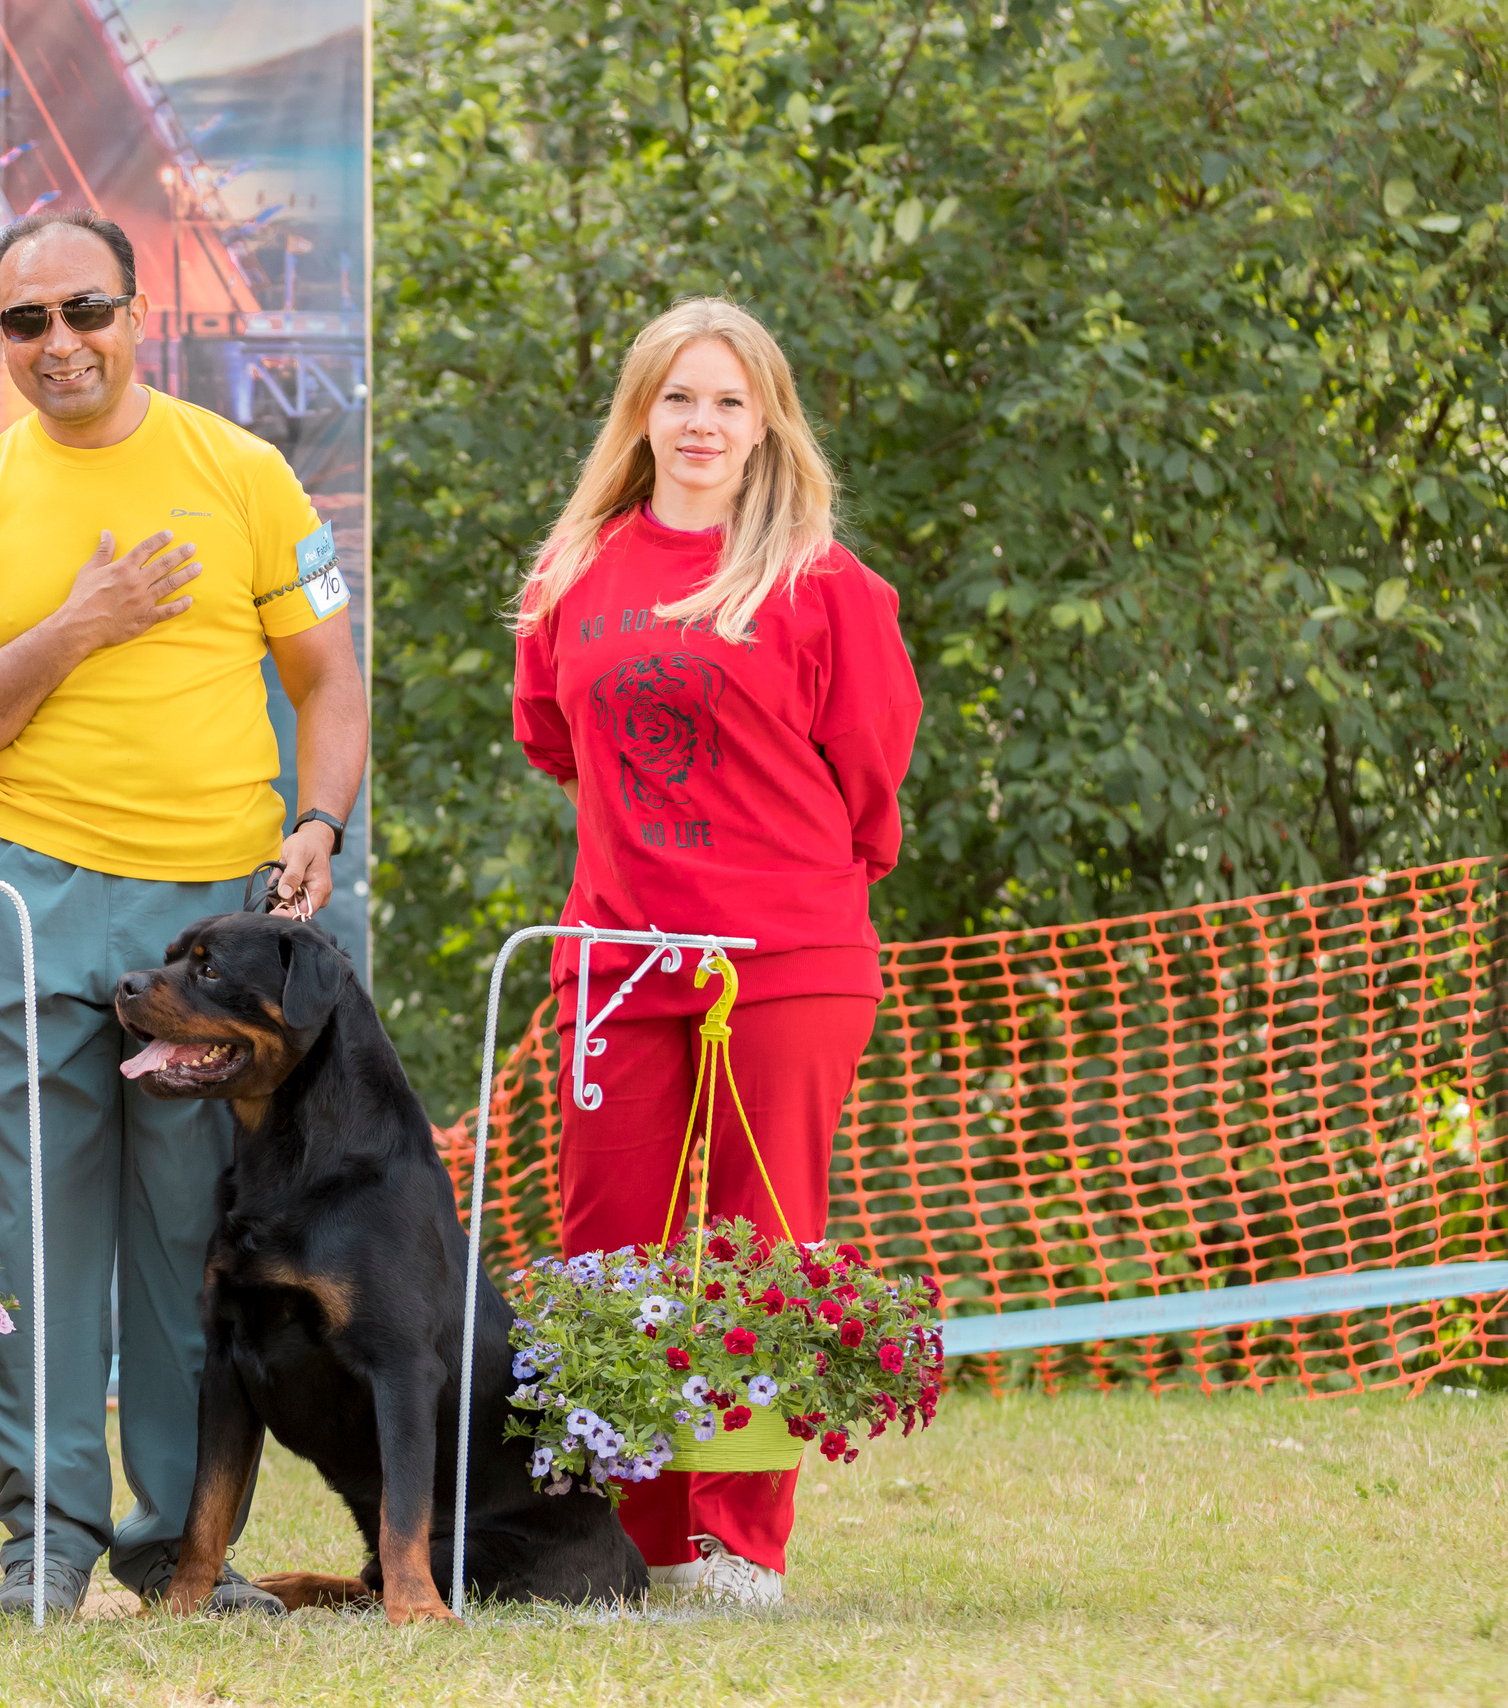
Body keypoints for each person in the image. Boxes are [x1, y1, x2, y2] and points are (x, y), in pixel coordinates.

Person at [0, 208, 368, 1617]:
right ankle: (44, 1545)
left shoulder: (245, 471)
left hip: (212, 938)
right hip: (29, 902)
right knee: (25, 1244)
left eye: (83, 311)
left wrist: (318, 824)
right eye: (25, 322)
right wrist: (77, 625)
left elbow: (328, 685)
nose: (59, 344)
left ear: (137, 311)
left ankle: (178, 1550)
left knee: (189, 1254)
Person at [511, 297, 921, 1606]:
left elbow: (872, 773)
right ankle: (616, 1541)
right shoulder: (573, 572)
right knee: (609, 1252)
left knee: (760, 1246)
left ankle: (732, 1544)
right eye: (679, 397)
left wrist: (774, 874)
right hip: (616, 965)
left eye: (729, 401)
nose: (702, 423)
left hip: (786, 960)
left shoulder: (826, 585)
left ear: (766, 426)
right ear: (640, 414)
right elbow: (553, 741)